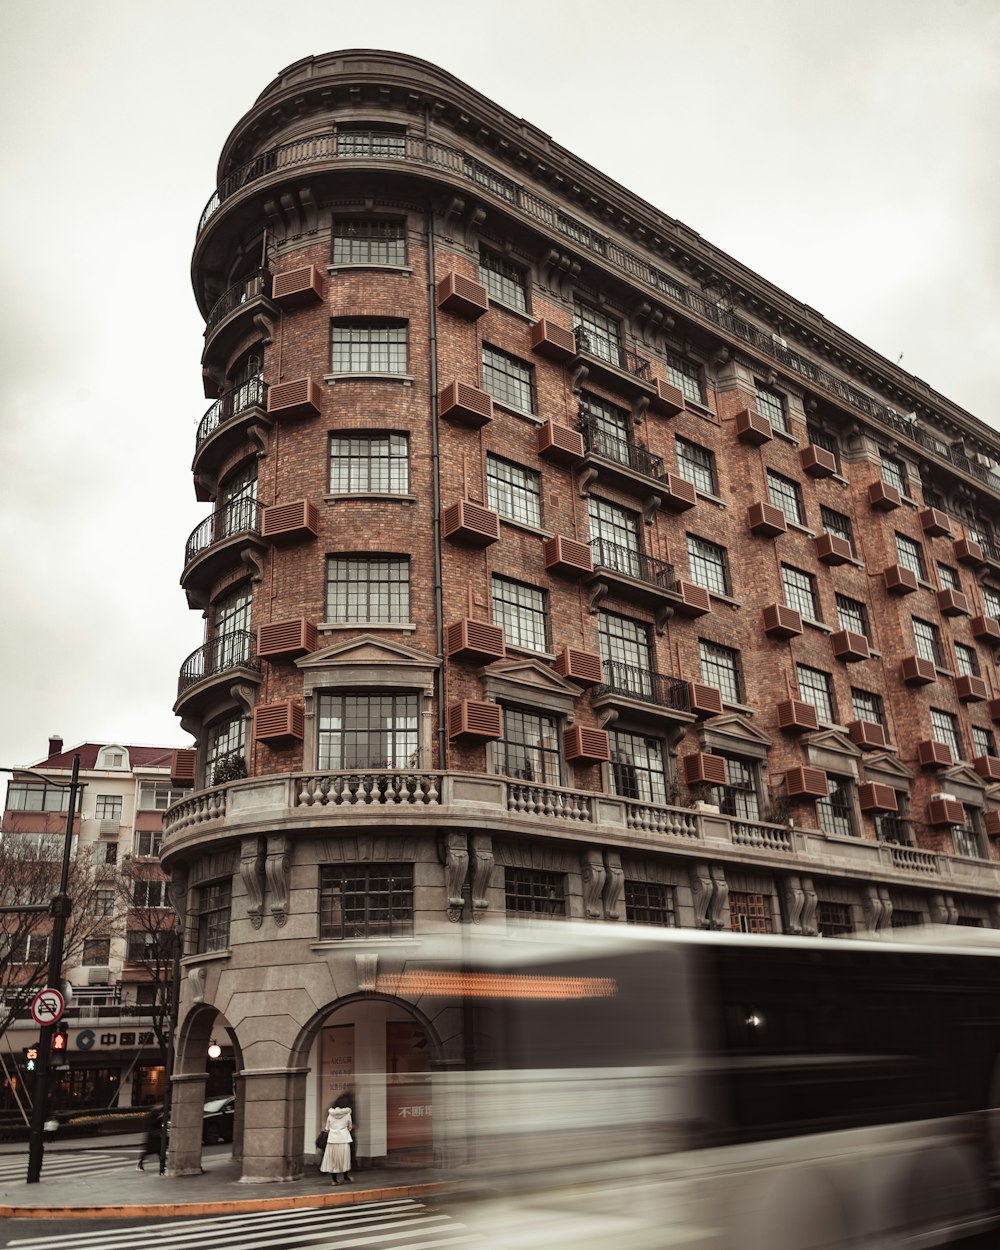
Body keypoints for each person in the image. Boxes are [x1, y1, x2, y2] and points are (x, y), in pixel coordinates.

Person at [319, 1097, 353, 1184]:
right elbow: (350, 1127)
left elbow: (327, 1128)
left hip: (332, 1140)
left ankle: (334, 1180)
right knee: (344, 1159)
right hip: (344, 1139)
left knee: (333, 1160)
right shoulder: (347, 1114)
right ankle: (345, 1177)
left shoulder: (330, 1115)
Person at [136, 1105, 162, 1171]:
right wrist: (159, 1118)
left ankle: (163, 1164)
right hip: (152, 1137)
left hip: (156, 1136)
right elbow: (152, 1124)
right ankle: (140, 1163)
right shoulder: (151, 1116)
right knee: (148, 1152)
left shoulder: (156, 1115)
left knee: (159, 1151)